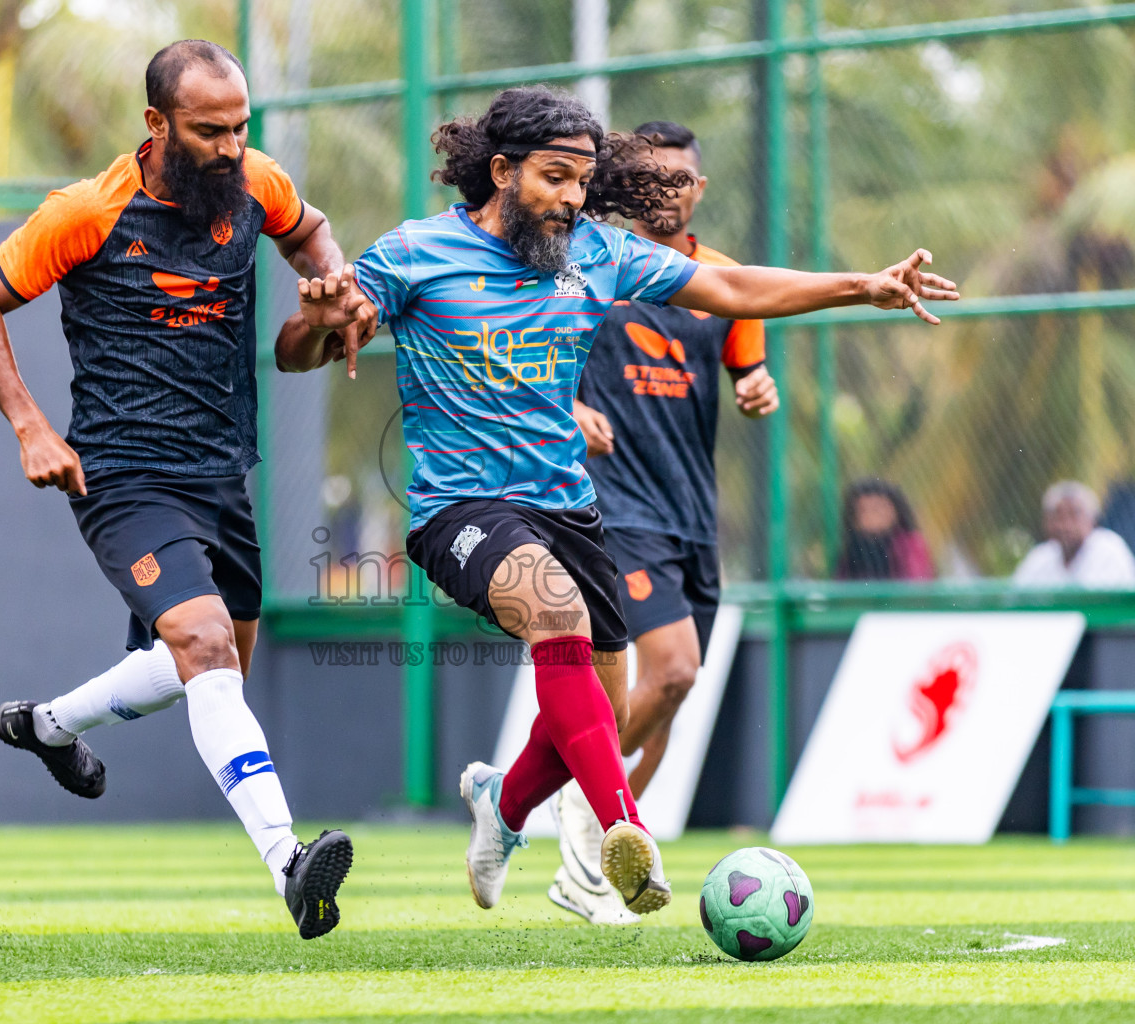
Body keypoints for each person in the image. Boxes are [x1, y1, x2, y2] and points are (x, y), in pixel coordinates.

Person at [289, 86, 957, 918]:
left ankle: (503, 806)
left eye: (582, 179)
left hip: (568, 506)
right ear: (501, 171)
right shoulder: (415, 253)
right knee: (557, 615)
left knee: (591, 720)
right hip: (459, 509)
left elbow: (738, 289)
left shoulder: (600, 254)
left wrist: (864, 286)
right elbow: (298, 352)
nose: (572, 196)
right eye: (555, 176)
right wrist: (320, 320)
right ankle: (626, 833)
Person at [0, 40, 356, 940]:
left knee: (208, 666)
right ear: (155, 125)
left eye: (241, 126)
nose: (230, 145)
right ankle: (291, 864)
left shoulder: (258, 182)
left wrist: (329, 284)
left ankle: (47, 725)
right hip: (121, 473)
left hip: (221, 469)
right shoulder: (87, 211)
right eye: (210, 129)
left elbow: (312, 231)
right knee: (207, 647)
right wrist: (30, 426)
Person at [552, 120, 776, 925]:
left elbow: (748, 367)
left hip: (691, 510)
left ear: (699, 189)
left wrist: (758, 388)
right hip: (612, 504)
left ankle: (572, 827)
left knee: (670, 696)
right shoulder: (592, 270)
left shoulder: (722, 281)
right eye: (650, 178)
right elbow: (531, 357)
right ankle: (594, 833)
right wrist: (571, 404)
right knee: (674, 669)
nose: (666, 191)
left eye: (679, 178)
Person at [1013, 480, 1135, 586]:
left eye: (1074, 515)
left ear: (1092, 520)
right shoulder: (1041, 556)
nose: (1065, 525)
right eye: (1057, 517)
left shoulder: (1109, 549)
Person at [834, 478, 936, 581]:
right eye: (863, 510)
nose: (871, 516)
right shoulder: (852, 548)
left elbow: (916, 584)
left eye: (877, 509)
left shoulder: (909, 544)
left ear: (896, 512)